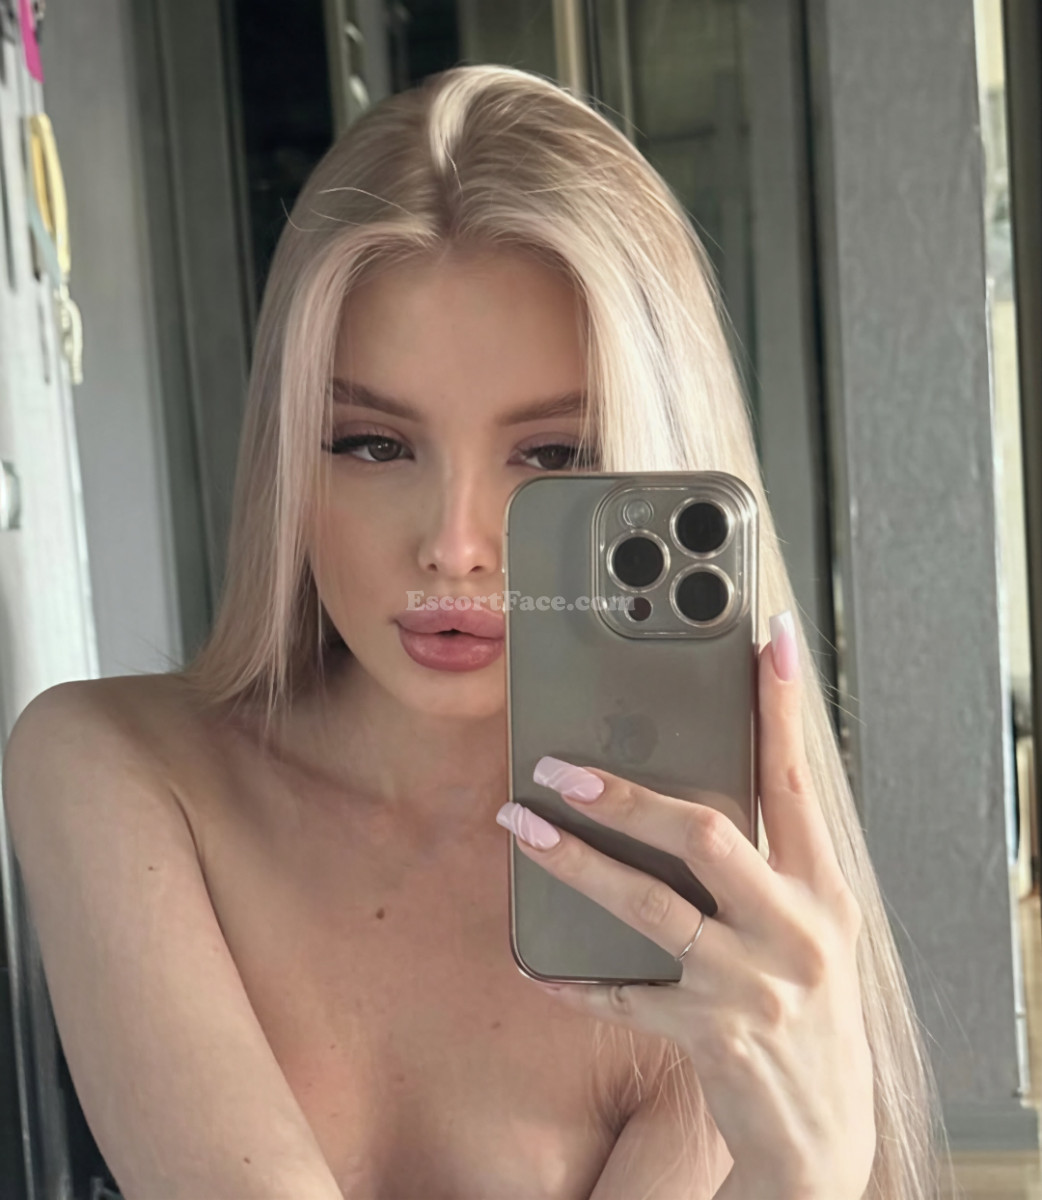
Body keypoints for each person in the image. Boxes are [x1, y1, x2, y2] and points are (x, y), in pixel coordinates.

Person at [2, 64, 944, 1199]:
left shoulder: (697, 893)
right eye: (373, 443)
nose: (454, 545)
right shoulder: (112, 768)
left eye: (551, 456)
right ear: (285, 457)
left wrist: (804, 1167)